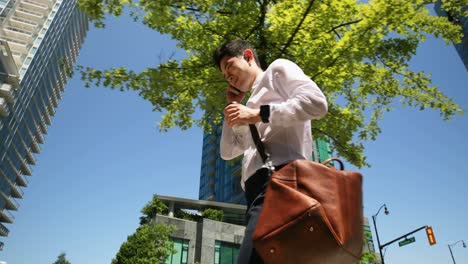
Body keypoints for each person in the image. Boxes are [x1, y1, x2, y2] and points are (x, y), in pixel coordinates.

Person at [213, 39, 328, 264]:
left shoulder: (278, 69)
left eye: (229, 67)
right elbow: (228, 152)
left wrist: (258, 115)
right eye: (224, 76)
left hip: (280, 182)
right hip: (256, 193)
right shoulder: (248, 103)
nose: (228, 77)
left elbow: (316, 103)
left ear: (248, 56)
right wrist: (233, 108)